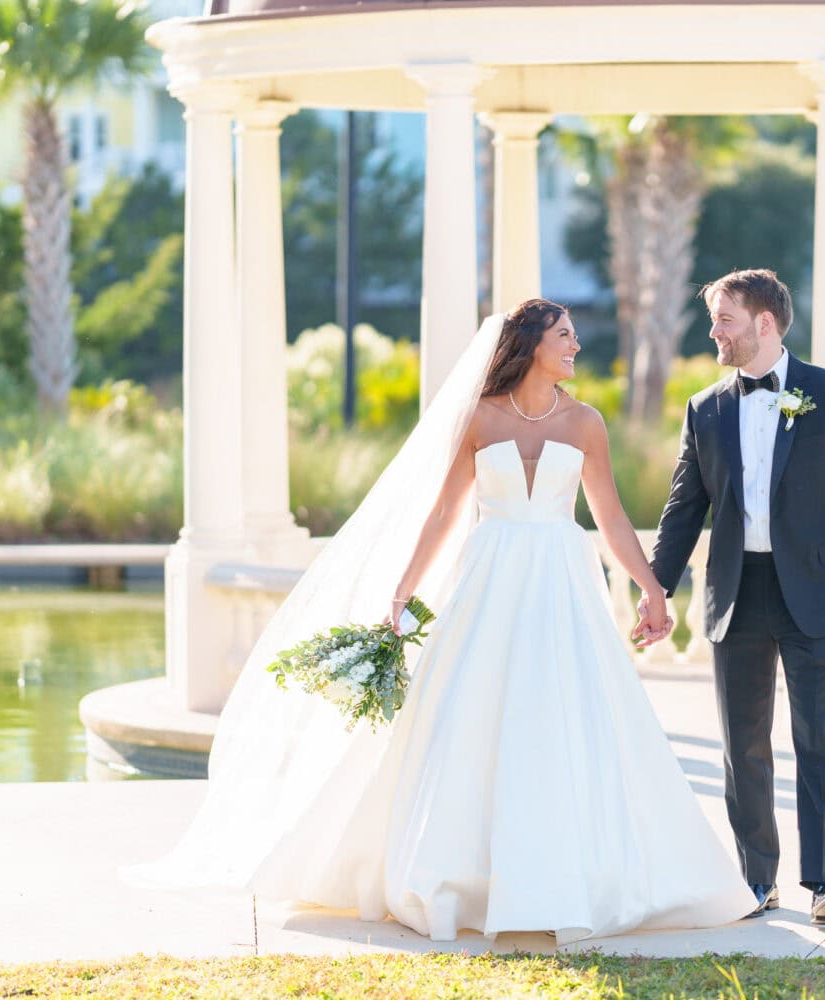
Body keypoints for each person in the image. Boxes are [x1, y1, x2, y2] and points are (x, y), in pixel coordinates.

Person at [126, 300, 755, 944]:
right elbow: (444, 514)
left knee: (567, 714)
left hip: (563, 582)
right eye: (564, 336)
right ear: (530, 343)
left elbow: (611, 518)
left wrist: (651, 589)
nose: (574, 347)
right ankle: (463, 876)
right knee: (473, 713)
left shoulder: (586, 422)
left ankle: (568, 873)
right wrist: (403, 590)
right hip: (491, 578)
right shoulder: (479, 419)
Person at [647, 269, 825, 926]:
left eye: (723, 319)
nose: (713, 332)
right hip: (735, 593)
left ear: (764, 322)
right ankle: (759, 883)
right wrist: (654, 589)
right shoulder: (704, 408)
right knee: (743, 744)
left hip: (814, 592)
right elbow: (682, 510)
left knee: (819, 737)